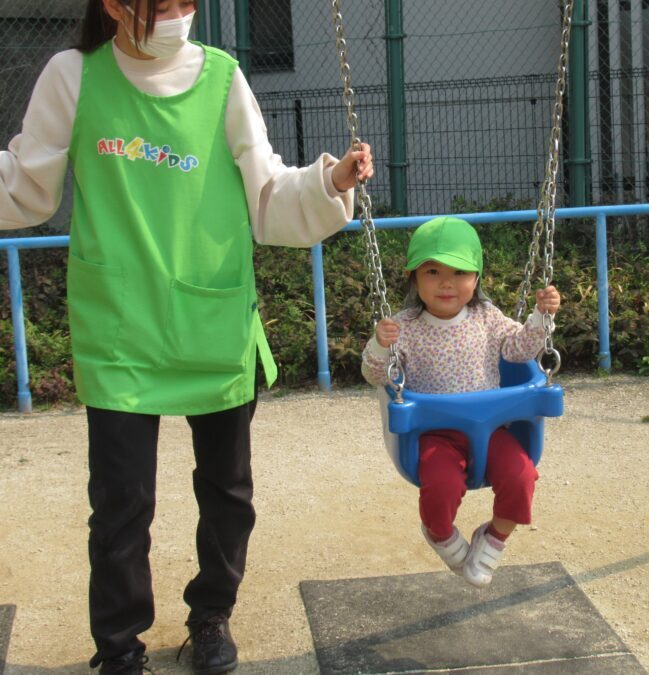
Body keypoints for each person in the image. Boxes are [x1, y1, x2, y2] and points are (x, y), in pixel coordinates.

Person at [0, 1, 373, 673]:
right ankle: (119, 648)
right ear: (115, 5)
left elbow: (267, 196)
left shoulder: (223, 78)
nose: (177, 16)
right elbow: (27, 187)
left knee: (227, 492)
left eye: (186, 3)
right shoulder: (73, 76)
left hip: (212, 320)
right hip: (120, 327)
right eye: (161, 4)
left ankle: (211, 616)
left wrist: (329, 181)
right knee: (120, 504)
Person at [361, 216, 560, 589]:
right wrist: (380, 345)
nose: (446, 283)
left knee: (521, 477)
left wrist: (541, 317)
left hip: (493, 430)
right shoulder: (403, 327)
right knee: (440, 487)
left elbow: (519, 351)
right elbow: (376, 376)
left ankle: (495, 536)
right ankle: (439, 533)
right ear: (413, 278)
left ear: (477, 278)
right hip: (435, 435)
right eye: (433, 271)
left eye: (459, 272)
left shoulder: (487, 318)